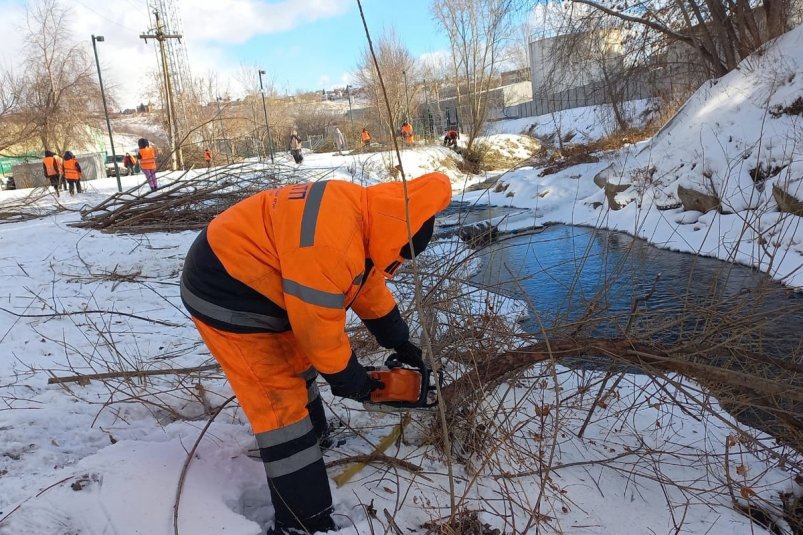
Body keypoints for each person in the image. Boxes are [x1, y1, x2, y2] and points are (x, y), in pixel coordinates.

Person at [180, 172, 452, 534]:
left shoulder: (366, 213)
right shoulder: (332, 246)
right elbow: (317, 332)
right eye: (399, 259)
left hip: (259, 274)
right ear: (396, 242)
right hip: (224, 288)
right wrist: (351, 380)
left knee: (296, 359)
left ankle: (316, 434)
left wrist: (398, 340)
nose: (397, 266)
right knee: (277, 399)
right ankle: (303, 519)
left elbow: (367, 284)